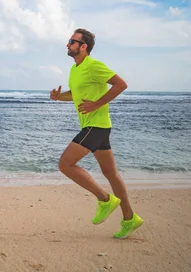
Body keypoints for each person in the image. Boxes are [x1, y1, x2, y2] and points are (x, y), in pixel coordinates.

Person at [50, 28, 143, 239]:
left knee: (65, 165)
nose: (68, 44)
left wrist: (97, 104)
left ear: (84, 47)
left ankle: (104, 199)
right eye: (69, 41)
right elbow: (75, 96)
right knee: (111, 173)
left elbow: (121, 84)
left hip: (96, 125)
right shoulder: (75, 69)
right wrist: (59, 97)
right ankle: (130, 218)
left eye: (72, 41)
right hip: (97, 126)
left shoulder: (94, 66)